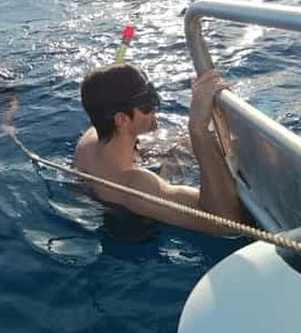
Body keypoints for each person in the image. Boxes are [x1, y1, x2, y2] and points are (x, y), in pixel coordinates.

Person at [74, 64, 244, 234]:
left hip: (104, 194)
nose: (156, 105)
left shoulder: (89, 141)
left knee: (178, 145)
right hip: (135, 227)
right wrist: (198, 128)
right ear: (121, 119)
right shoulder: (135, 187)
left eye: (153, 94)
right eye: (147, 103)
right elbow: (226, 222)